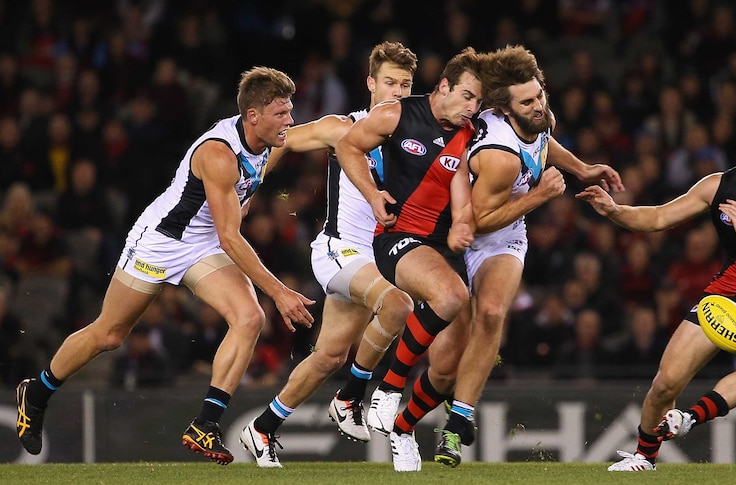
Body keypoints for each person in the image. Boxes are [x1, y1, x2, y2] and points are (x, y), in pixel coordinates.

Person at [15, 67, 316, 466]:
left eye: (290, 111)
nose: (290, 121)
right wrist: (280, 290)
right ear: (253, 116)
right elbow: (230, 237)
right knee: (109, 334)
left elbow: (299, 144)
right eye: (281, 114)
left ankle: (205, 423)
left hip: (202, 244)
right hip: (160, 242)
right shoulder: (218, 154)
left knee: (248, 318)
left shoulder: (269, 140)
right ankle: (36, 392)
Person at [365, 45, 625, 469]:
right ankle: (401, 413)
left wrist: (582, 168)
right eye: (528, 101)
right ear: (505, 109)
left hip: (504, 235)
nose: (539, 105)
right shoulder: (499, 157)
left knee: (490, 312)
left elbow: (544, 142)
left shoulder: (538, 115)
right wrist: (539, 196)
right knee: (445, 363)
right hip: (461, 232)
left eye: (540, 95)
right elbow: (481, 220)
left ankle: (455, 419)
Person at [575, 101, 736, 471]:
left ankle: (688, 418)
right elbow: (659, 216)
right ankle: (644, 457)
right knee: (664, 385)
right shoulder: (720, 184)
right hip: (724, 295)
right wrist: (615, 211)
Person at [237, 42, 418, 468]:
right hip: (340, 250)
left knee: (329, 356)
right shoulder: (344, 126)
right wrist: (251, 186)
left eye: (406, 85)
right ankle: (352, 395)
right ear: (371, 83)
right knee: (397, 305)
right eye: (389, 82)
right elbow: (281, 139)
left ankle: (262, 428)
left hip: (375, 260)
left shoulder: (416, 135)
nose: (396, 91)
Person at [335, 47, 485, 472]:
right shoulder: (396, 115)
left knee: (448, 366)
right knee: (451, 295)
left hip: (440, 248)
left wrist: (462, 222)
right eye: (467, 96)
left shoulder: (466, 130)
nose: (472, 107)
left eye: (478, 101)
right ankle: (388, 388)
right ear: (443, 87)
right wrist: (372, 193)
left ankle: (402, 428)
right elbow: (348, 147)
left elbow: (458, 183)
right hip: (397, 237)